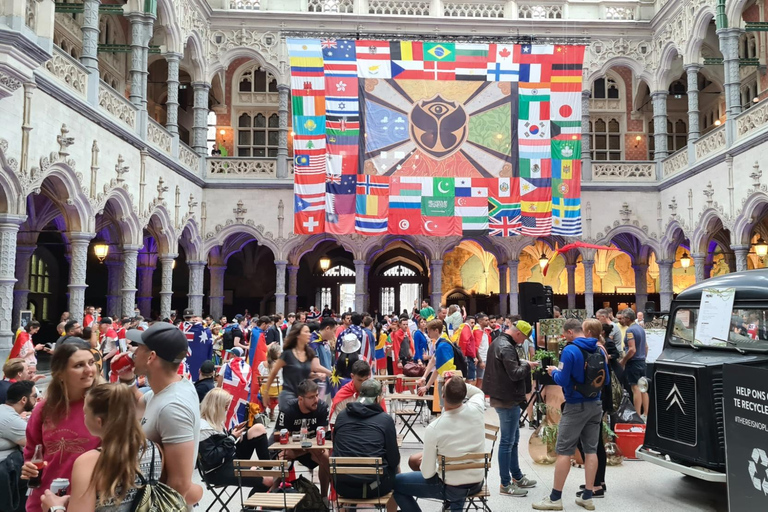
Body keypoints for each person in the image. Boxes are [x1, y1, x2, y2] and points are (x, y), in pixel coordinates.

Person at [40, 383, 163, 512]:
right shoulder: (155, 450)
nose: (84, 418)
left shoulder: (89, 463)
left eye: (85, 413)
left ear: (99, 421)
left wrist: (54, 507)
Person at [119, 322, 203, 506]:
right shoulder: (173, 386)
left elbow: (179, 483)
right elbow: (142, 403)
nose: (133, 352)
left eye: (139, 347)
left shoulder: (173, 407)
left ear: (151, 357)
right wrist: (126, 380)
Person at [534, 319, 609, 511]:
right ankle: (587, 496)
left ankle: (555, 498)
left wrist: (554, 372)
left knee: (564, 451)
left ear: (569, 333)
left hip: (575, 405)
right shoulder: (599, 349)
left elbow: (564, 379)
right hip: (595, 403)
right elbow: (606, 379)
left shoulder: (570, 350)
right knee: (591, 450)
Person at [21, 342, 100, 512]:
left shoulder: (105, 407)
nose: (89, 370)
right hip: (46, 499)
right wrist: (29, 466)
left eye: (91, 363)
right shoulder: (44, 410)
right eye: (79, 365)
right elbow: (33, 451)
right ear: (60, 373)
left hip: (90, 501)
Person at [394, 374, 485, 511]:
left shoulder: (435, 427)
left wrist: (434, 462)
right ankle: (454, 506)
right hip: (477, 482)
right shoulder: (477, 409)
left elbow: (427, 474)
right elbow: (478, 392)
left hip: (450, 488)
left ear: (443, 397)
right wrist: (457, 385)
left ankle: (453, 504)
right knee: (452, 472)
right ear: (464, 395)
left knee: (396, 484)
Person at [482, 320, 539, 497]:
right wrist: (527, 365)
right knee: (507, 442)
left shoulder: (499, 341)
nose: (522, 342)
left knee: (513, 440)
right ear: (517, 334)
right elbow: (514, 374)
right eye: (523, 338)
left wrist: (520, 362)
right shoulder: (506, 347)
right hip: (507, 399)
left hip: (504, 396)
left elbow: (505, 368)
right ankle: (505, 484)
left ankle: (517, 476)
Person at [333, 379, 398, 509]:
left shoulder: (341, 416)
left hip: (343, 486)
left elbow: (336, 447)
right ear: (379, 398)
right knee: (396, 469)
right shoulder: (385, 420)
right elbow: (394, 459)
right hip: (376, 487)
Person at [198, 388, 273, 495]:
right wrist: (232, 438)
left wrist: (231, 433)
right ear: (216, 407)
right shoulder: (203, 428)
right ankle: (249, 508)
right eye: (225, 407)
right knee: (269, 480)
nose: (227, 410)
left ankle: (268, 470)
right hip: (218, 470)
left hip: (229, 457)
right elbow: (211, 458)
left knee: (258, 428)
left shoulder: (215, 420)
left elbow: (219, 442)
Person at [272, 380, 331, 497]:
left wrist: (301, 451)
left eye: (317, 395)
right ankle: (272, 493)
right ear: (300, 399)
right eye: (311, 397)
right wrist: (297, 449)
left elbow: (323, 434)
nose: (316, 400)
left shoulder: (322, 407)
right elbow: (279, 436)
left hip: (312, 448)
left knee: (325, 457)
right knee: (284, 456)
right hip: (292, 447)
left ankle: (324, 498)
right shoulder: (287, 409)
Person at [263, 322, 331, 411]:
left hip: (304, 395)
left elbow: (306, 374)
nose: (309, 334)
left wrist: (317, 375)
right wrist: (266, 393)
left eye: (309, 332)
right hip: (289, 394)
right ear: (298, 335)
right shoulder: (287, 354)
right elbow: (273, 373)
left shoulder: (309, 353)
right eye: (306, 332)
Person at [329, 360, 386, 425]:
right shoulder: (342, 395)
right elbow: (335, 424)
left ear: (369, 376)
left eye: (366, 380)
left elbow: (384, 420)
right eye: (360, 380)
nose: (363, 384)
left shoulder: (375, 392)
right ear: (352, 376)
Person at [619, 308, 648, 419]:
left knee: (635, 388)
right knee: (644, 388)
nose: (622, 320)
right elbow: (646, 346)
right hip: (641, 361)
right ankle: (645, 413)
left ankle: (637, 415)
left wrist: (624, 360)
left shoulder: (630, 331)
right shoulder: (641, 329)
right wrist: (643, 358)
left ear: (628, 318)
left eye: (623, 318)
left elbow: (632, 349)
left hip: (634, 362)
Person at [0, 380, 37, 460]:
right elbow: (37, 443)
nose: (36, 400)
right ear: (23, 400)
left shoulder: (3, 410)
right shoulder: (10, 419)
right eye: (34, 396)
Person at [218, 347, 252, 428]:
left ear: (234, 355)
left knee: (226, 415)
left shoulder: (226, 366)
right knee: (238, 414)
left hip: (226, 396)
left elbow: (219, 384)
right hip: (242, 398)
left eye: (231, 353)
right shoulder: (248, 368)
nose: (229, 355)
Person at [180, 311, 214, 382]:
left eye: (196, 320)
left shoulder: (206, 331)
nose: (194, 322)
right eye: (194, 320)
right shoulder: (183, 329)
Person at [258, 343, 282, 419]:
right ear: (278, 354)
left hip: (265, 390)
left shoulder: (262, 364)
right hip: (277, 390)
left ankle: (264, 410)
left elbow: (260, 375)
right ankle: (272, 412)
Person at [474, 314, 490, 389]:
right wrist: (480, 361)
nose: (488, 322)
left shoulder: (484, 331)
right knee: (479, 379)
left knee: (482, 379)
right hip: (481, 358)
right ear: (480, 321)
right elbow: (476, 347)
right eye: (486, 320)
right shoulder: (477, 331)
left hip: (485, 357)